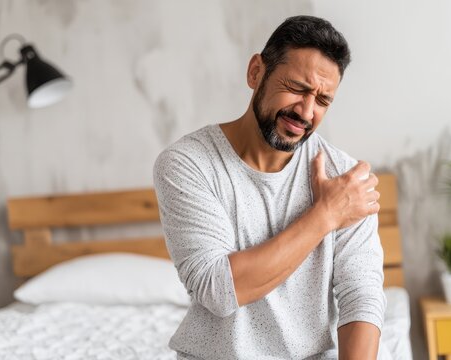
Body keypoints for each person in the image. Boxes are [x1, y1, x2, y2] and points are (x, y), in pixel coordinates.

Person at [154, 15, 386, 360]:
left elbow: (361, 295)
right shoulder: (188, 163)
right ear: (255, 72)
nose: (306, 112)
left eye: (322, 101)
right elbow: (218, 289)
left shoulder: (345, 179)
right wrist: (325, 215)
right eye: (296, 88)